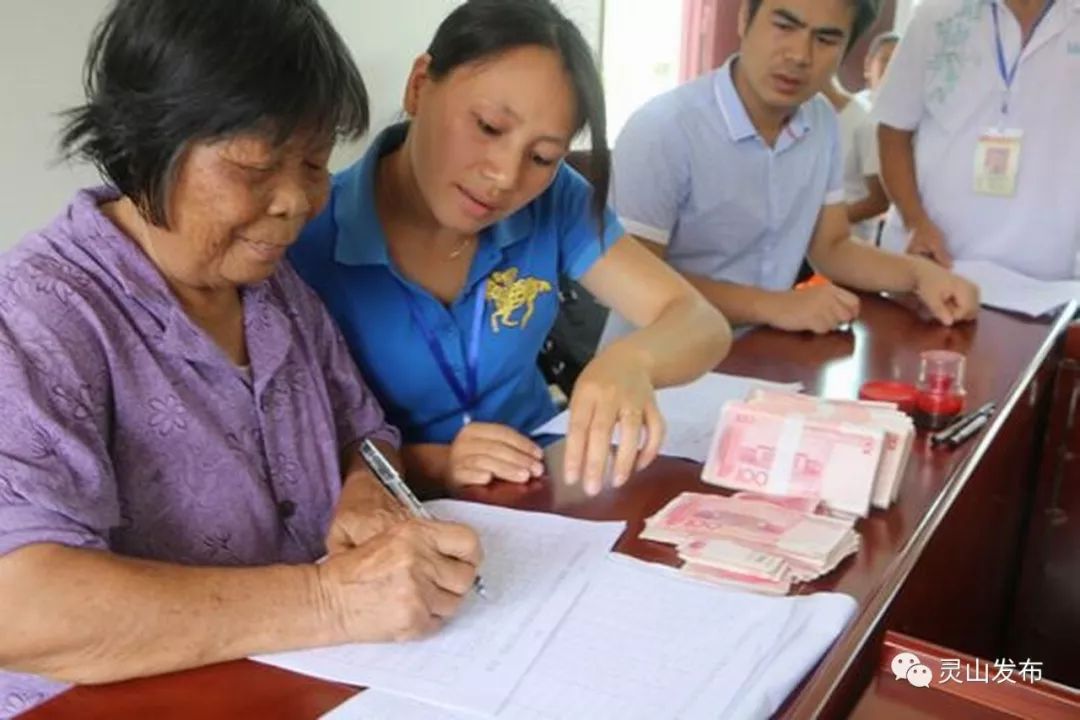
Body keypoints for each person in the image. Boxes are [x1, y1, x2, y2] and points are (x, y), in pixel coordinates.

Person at [0, 2, 481, 716]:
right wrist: (328, 601)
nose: (297, 201)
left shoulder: (274, 287)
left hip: (300, 682)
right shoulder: (38, 312)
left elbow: (365, 433)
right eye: (254, 166)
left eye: (315, 164)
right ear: (145, 143)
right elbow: (22, 606)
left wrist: (364, 492)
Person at [289, 0, 732, 499]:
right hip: (402, 514)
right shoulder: (303, 236)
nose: (505, 176)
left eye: (542, 156)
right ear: (419, 87)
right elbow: (295, 454)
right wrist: (435, 463)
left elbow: (699, 321)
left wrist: (632, 362)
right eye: (488, 127)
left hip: (537, 486)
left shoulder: (554, 199)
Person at [600, 0, 980, 342]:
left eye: (826, 39)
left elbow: (831, 247)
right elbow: (633, 282)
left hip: (762, 354)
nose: (800, 55)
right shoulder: (664, 129)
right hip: (653, 368)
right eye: (784, 26)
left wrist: (920, 275)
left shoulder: (822, 123)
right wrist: (772, 305)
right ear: (746, 17)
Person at [875, 0, 1080, 279]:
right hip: (931, 263)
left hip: (1042, 275)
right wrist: (915, 221)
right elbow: (892, 131)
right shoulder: (937, 13)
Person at [822, 31, 900, 243]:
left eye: (898, 62)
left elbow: (879, 200)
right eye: (885, 60)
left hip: (849, 241)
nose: (892, 69)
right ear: (868, 65)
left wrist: (821, 221)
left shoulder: (866, 121)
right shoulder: (818, 115)